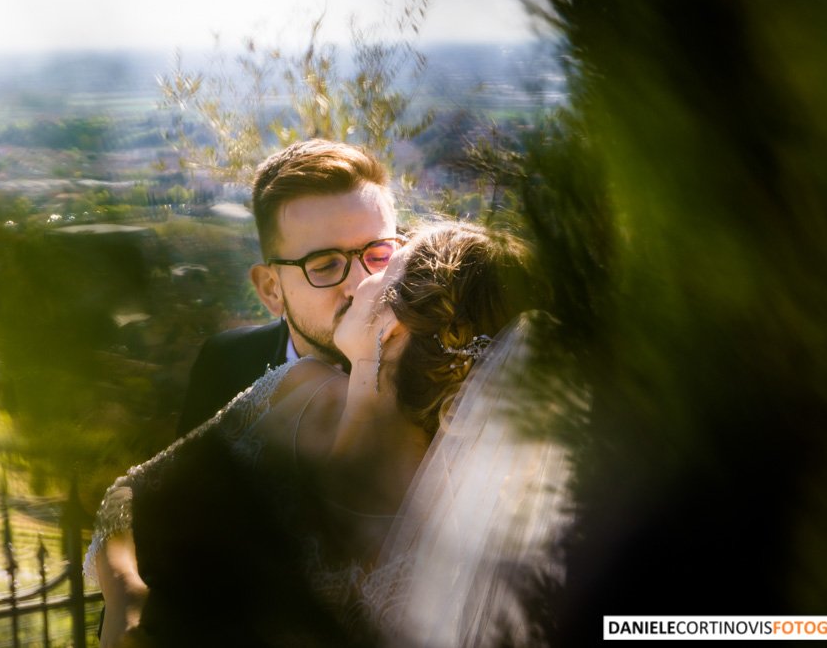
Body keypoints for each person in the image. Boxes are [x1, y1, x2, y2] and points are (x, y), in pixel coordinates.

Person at [88, 222, 571, 647]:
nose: (360, 280)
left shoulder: (453, 553)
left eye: (385, 267)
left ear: (391, 330)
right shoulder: (290, 392)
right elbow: (127, 497)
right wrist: (127, 591)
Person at [176, 139, 400, 437]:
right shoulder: (224, 363)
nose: (361, 284)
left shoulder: (441, 372)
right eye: (325, 266)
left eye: (379, 256)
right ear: (272, 289)